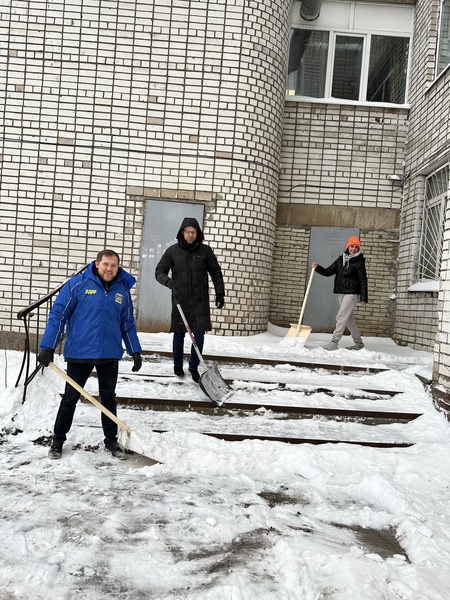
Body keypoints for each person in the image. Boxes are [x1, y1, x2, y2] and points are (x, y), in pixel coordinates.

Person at [37, 249, 143, 460]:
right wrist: (47, 346)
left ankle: (111, 441)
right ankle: (57, 440)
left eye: (114, 265)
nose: (109, 269)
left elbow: (127, 323)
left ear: (118, 267)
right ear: (96, 264)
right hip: (80, 351)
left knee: (108, 399)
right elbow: (58, 314)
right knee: (70, 398)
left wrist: (135, 350)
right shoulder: (78, 284)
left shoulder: (122, 289)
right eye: (105, 264)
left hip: (109, 353)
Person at [155, 217, 225, 382]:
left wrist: (220, 292)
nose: (191, 235)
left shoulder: (205, 251)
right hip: (180, 299)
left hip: (200, 300)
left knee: (199, 335)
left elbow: (216, 272)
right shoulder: (172, 251)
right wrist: (169, 282)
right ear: (182, 232)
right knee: (179, 335)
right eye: (188, 232)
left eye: (193, 232)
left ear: (197, 233)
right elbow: (159, 271)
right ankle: (177, 366)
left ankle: (193, 367)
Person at [312, 236, 368, 351]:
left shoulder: (359, 262)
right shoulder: (340, 260)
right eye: (352, 246)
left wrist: (363, 296)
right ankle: (359, 343)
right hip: (341, 292)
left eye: (356, 247)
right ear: (348, 246)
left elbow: (363, 279)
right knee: (348, 319)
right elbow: (328, 271)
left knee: (341, 317)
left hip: (352, 294)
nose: (354, 249)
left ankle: (334, 342)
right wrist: (318, 268)